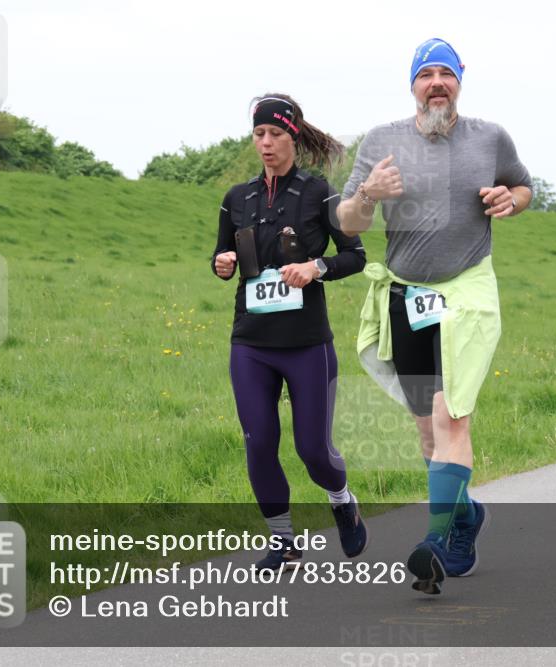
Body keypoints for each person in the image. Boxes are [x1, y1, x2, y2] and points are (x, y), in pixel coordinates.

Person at [337, 38, 533, 594]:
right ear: (413, 85)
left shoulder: (490, 137)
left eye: (447, 73)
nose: (437, 82)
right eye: (428, 74)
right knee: (427, 432)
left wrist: (509, 201)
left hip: (467, 292)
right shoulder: (381, 141)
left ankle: (436, 541)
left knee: (451, 417)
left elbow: (524, 186)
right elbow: (350, 223)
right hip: (409, 298)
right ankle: (466, 518)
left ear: (460, 83)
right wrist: (369, 194)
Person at [212, 94, 369, 569]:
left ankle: (342, 500)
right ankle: (283, 541)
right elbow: (223, 257)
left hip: (306, 344)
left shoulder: (319, 192)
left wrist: (315, 266)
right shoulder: (237, 198)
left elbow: (355, 255)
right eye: (259, 134)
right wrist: (222, 264)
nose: (266, 143)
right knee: (258, 442)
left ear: (293, 137)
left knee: (312, 450)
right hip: (251, 342)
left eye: (275, 134)